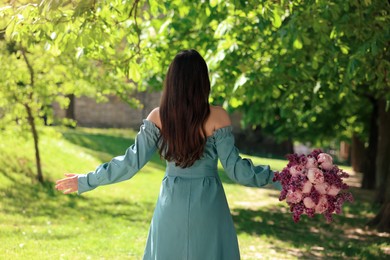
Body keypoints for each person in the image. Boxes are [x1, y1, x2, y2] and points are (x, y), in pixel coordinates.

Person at [56, 49, 281, 260]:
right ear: (203, 81)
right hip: (209, 207)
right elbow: (239, 172)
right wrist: (281, 178)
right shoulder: (218, 116)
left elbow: (129, 163)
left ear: (172, 82)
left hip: (171, 204)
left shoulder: (158, 117)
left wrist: (86, 180)